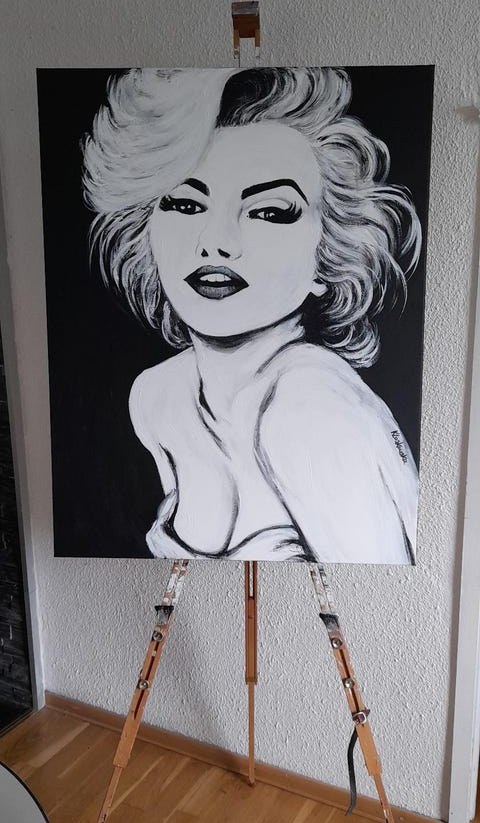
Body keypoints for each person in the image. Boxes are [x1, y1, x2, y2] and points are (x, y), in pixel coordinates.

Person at [82, 66, 421, 563]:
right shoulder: (158, 398)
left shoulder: (313, 411)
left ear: (329, 254)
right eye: (185, 204)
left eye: (269, 211)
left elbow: (384, 601)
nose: (215, 242)